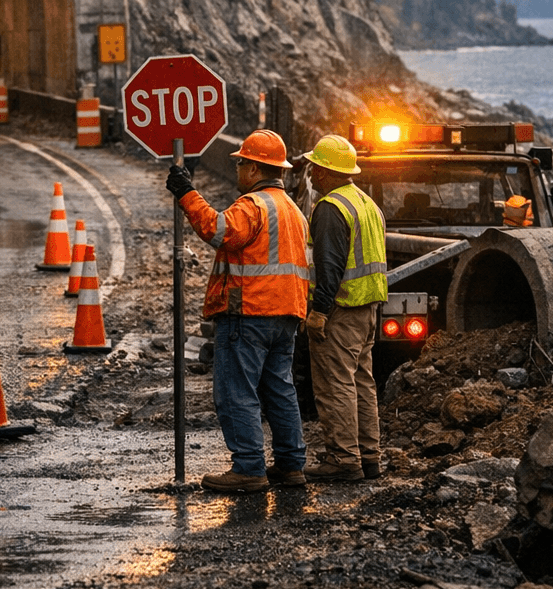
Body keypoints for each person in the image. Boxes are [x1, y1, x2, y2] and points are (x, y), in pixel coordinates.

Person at [166, 129, 310, 493]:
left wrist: (186, 193)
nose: (238, 170)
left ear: (254, 168)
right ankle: (291, 465)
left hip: (249, 312)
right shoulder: (293, 210)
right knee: (279, 389)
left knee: (236, 392)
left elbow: (218, 231)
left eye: (241, 163)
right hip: (287, 314)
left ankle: (249, 468)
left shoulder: (253, 205)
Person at [302, 134, 389, 482]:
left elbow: (330, 266)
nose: (309, 173)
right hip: (367, 309)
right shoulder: (368, 204)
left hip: (340, 309)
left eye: (313, 167)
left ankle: (342, 459)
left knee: (335, 384)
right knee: (362, 383)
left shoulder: (330, 208)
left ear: (324, 171)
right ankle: (369, 457)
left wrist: (318, 311)